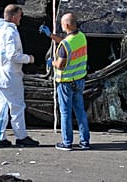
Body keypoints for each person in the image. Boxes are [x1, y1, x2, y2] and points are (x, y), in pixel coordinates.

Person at [0, 4, 40, 148]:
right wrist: (29, 58)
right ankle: (21, 136)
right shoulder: (10, 32)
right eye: (20, 15)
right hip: (9, 74)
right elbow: (12, 55)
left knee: (0, 105)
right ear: (13, 16)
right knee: (17, 106)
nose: (21, 18)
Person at [39, 13, 90, 151]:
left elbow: (61, 63)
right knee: (80, 112)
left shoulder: (65, 45)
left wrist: (51, 62)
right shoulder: (81, 37)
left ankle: (67, 143)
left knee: (65, 112)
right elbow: (66, 42)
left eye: (62, 24)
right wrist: (50, 36)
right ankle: (85, 142)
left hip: (65, 83)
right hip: (79, 81)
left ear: (66, 25)